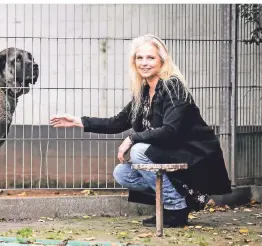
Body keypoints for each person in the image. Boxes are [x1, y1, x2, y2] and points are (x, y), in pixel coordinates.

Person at [50, 34, 232, 228]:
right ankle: (179, 200)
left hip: (193, 154)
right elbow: (118, 122)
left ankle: (175, 208)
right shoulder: (144, 92)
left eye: (150, 58)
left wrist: (132, 138)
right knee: (122, 173)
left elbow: (171, 130)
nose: (144, 63)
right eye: (139, 58)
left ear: (162, 60)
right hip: (168, 153)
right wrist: (78, 121)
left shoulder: (173, 87)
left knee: (138, 151)